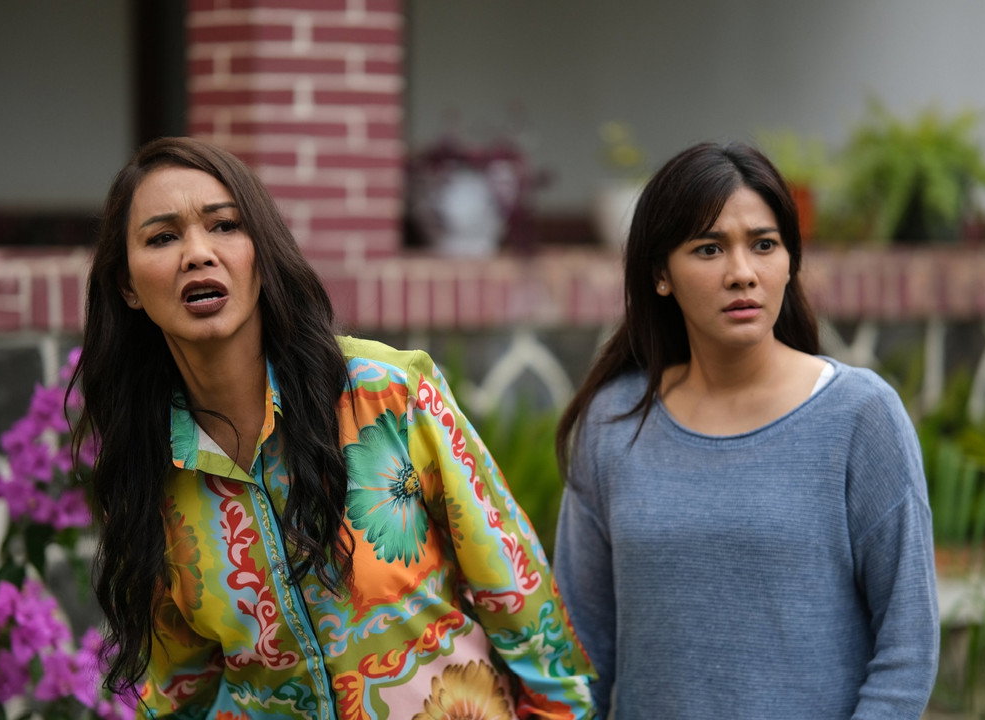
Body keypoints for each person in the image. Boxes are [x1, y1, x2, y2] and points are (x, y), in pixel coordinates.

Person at [70, 137, 596, 720]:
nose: (197, 253)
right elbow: (178, 691)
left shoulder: (387, 394)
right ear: (127, 286)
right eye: (162, 238)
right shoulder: (150, 470)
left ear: (262, 253)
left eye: (224, 226)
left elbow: (527, 612)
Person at [553, 142, 938, 719]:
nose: (742, 273)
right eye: (708, 249)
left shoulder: (860, 416)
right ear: (661, 274)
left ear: (790, 262)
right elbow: (577, 654)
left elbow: (908, 650)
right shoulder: (614, 424)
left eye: (764, 245)